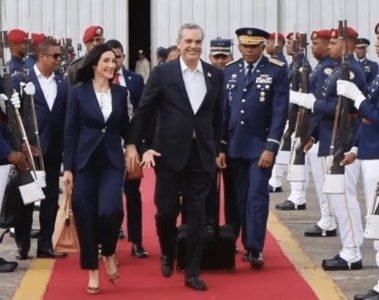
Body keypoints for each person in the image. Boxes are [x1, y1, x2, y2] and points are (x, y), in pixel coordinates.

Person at [126, 23, 223, 291]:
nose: (193, 46)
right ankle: (168, 252)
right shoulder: (163, 73)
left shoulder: (215, 75)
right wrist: (136, 143)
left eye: (197, 41)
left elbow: (218, 116)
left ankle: (192, 271)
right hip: (167, 155)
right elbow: (144, 110)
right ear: (178, 43)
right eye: (188, 41)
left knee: (197, 215)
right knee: (166, 212)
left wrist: (218, 148)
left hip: (201, 156)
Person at [292, 26, 366, 271]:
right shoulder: (336, 69)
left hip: (343, 141)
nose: (330, 46)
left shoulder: (351, 70)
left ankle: (352, 252)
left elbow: (342, 107)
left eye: (335, 42)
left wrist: (312, 103)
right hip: (329, 139)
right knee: (336, 198)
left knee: (344, 199)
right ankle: (347, 248)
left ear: (348, 45)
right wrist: (313, 133)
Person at [63, 44, 130, 294]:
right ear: (94, 65)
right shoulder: (78, 94)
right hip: (84, 163)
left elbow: (126, 127)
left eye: (114, 61)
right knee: (86, 216)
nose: (112, 65)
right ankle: (92, 271)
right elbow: (70, 132)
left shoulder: (121, 93)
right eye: (106, 61)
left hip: (112, 161)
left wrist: (137, 145)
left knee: (111, 211)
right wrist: (68, 168)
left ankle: (109, 252)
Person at [221, 27, 289, 268]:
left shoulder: (276, 70)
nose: (249, 50)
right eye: (245, 46)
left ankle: (254, 247)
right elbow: (224, 112)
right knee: (237, 198)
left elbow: (280, 112)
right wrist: (221, 146)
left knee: (256, 196)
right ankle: (233, 240)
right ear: (239, 47)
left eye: (254, 46)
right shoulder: (230, 71)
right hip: (234, 146)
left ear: (263, 46)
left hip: (260, 147)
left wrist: (271, 146)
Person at [11, 39, 68, 260]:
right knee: (26, 199)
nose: (58, 59)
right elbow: (12, 119)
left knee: (50, 199)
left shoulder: (62, 83)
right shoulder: (21, 80)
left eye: (59, 55)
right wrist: (20, 144)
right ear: (41, 56)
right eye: (55, 56)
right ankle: (22, 244)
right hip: (29, 150)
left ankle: (45, 245)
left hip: (53, 150)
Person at [336, 22, 379, 300]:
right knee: (374, 218)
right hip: (370, 151)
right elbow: (368, 122)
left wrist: (358, 98)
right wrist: (354, 147)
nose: (378, 44)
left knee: (377, 219)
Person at [105, 39, 148, 258]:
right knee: (110, 196)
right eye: (110, 58)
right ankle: (108, 240)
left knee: (133, 194)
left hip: (132, 144)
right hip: (108, 145)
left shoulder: (135, 80)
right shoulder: (98, 81)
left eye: (118, 57)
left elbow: (143, 113)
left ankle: (137, 241)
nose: (115, 62)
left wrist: (141, 144)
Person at [303, 29, 337, 237]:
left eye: (316, 43)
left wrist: (313, 133)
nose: (313, 47)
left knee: (327, 180)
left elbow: (320, 104)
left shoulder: (328, 69)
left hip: (327, 132)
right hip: (318, 132)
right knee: (321, 179)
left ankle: (328, 220)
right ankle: (326, 217)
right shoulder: (321, 67)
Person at [275, 31, 313, 210]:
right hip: (292, 115)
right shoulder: (295, 64)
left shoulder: (302, 66)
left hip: (300, 116)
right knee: (292, 156)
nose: (287, 45)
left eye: (291, 43)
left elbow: (304, 94)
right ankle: (295, 193)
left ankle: (298, 196)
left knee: (298, 156)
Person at [207, 37, 240, 243]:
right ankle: (208, 234)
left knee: (232, 195)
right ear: (209, 57)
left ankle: (231, 236)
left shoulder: (238, 76)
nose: (220, 61)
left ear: (231, 56)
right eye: (216, 56)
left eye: (224, 56)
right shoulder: (202, 77)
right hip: (208, 144)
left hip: (233, 143)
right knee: (208, 192)